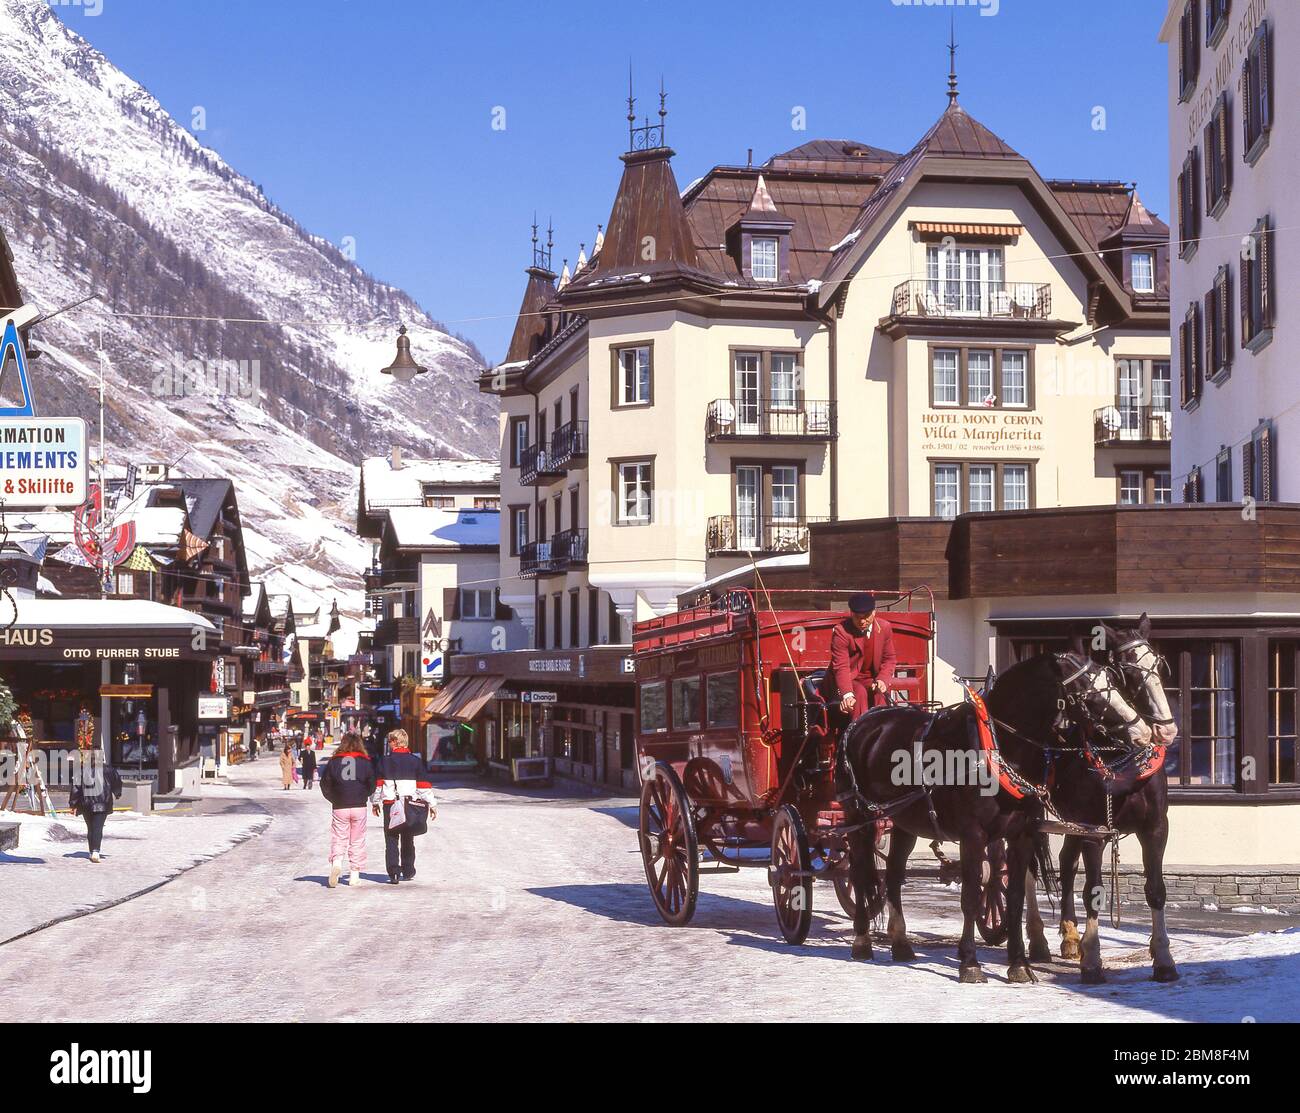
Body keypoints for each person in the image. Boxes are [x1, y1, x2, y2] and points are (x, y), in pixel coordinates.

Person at [818, 593, 898, 722]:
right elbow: (841, 666)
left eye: (866, 616)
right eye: (857, 617)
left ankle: (882, 733)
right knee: (859, 693)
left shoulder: (885, 628)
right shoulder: (841, 632)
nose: (861, 621)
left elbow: (889, 658)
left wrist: (883, 679)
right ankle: (859, 735)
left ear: (874, 612)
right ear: (851, 613)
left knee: (881, 694)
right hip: (848, 681)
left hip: (871, 680)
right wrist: (847, 695)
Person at [371, 729, 437, 885]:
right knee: (408, 838)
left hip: (390, 804)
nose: (389, 744)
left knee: (391, 839)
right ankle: (408, 870)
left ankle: (393, 873)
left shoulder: (384, 761)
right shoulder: (415, 761)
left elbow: (378, 786)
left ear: (395, 742)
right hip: (409, 805)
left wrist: (375, 803)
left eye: (390, 741)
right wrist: (432, 804)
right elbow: (423, 787)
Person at [320, 732, 376, 888]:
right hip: (359, 806)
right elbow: (372, 784)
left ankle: (337, 862)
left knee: (339, 837)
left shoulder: (334, 762)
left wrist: (334, 798)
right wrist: (363, 795)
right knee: (357, 840)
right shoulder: (365, 762)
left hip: (340, 806)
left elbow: (325, 785)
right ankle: (354, 875)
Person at [67, 752, 123, 864]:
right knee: (98, 827)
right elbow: (117, 782)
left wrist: (73, 804)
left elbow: (76, 789)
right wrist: (117, 793)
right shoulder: (108, 770)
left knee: (90, 828)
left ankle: (91, 851)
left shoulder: (82, 771)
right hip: (103, 803)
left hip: (86, 804)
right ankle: (96, 851)